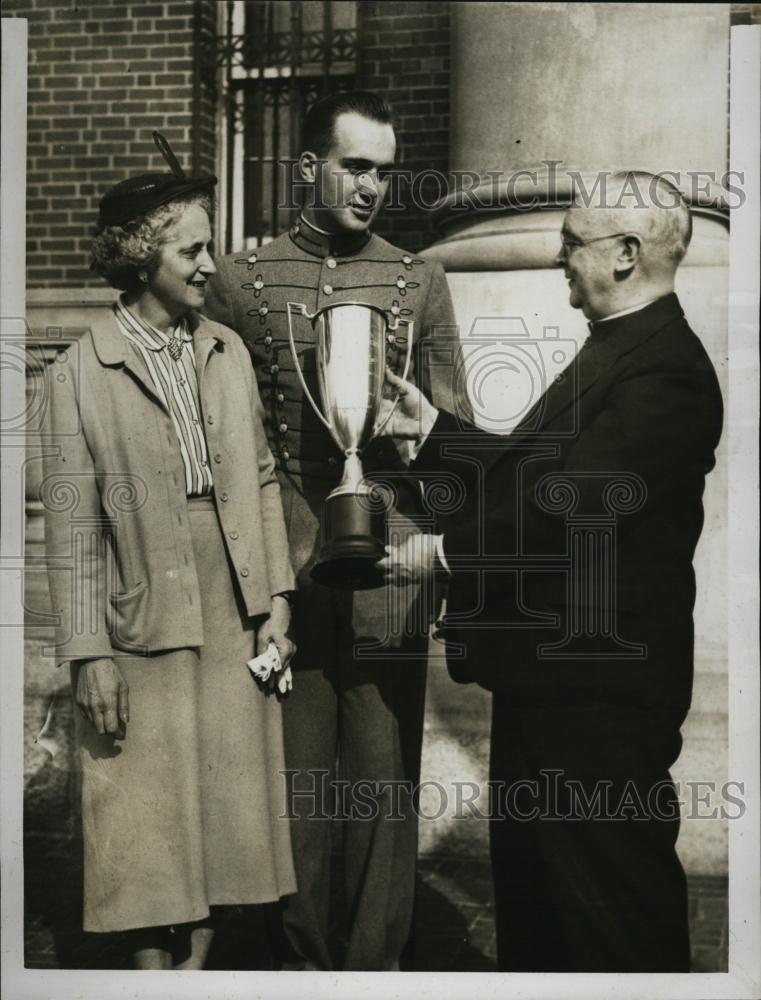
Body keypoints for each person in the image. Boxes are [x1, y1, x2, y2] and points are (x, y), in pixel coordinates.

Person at [377, 172, 724, 971]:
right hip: (557, 687)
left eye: (572, 242)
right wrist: (433, 431)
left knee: (608, 923)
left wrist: (439, 553)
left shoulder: (664, 371)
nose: (559, 258)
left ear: (625, 254)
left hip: (598, 703)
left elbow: (570, 505)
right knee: (544, 918)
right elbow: (538, 475)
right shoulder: (624, 348)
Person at [204, 91, 469, 971]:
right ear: (309, 166)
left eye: (383, 172)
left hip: (387, 560)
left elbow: (452, 436)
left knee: (381, 770)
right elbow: (227, 436)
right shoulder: (241, 281)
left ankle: (373, 963)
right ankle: (302, 958)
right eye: (356, 167)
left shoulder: (418, 279)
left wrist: (419, 460)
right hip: (286, 562)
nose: (371, 187)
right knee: (297, 770)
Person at [42, 144, 297, 970]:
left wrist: (276, 601)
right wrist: (89, 655)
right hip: (140, 606)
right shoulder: (78, 373)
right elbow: (73, 531)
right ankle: (152, 973)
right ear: (140, 256)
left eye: (207, 247)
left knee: (225, 805)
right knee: (142, 805)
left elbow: (262, 480)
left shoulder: (225, 351)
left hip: (233, 598)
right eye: (192, 250)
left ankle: (197, 969)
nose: (209, 265)